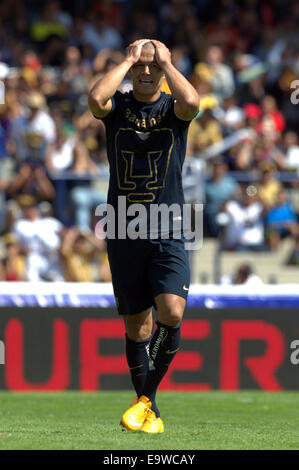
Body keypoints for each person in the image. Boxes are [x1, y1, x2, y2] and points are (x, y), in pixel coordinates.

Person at [88, 39, 199, 433]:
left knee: (171, 312)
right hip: (123, 228)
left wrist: (167, 62)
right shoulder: (118, 106)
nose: (147, 72)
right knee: (137, 329)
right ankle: (146, 409)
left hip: (168, 224)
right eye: (141, 67)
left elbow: (193, 102)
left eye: (154, 67)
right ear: (132, 69)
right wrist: (129, 59)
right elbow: (94, 98)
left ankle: (146, 399)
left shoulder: (172, 107)